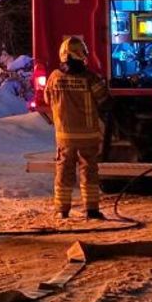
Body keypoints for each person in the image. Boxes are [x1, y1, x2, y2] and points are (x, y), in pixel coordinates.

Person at [44, 36, 112, 220]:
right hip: (88, 136)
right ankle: (91, 210)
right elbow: (104, 100)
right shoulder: (90, 78)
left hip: (64, 136)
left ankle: (62, 210)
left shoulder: (54, 78)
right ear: (81, 54)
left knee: (64, 172)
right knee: (89, 171)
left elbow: (47, 99)